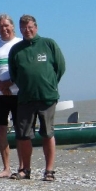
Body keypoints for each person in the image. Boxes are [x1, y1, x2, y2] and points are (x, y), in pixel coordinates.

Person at [8, 15, 66, 181]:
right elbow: (14, 73)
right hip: (26, 98)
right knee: (24, 135)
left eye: (30, 27)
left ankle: (49, 171)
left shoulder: (48, 44)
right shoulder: (16, 49)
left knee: (47, 133)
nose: (27, 30)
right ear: (20, 29)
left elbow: (60, 67)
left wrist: (50, 84)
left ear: (36, 27)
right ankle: (25, 169)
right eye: (24, 28)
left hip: (47, 97)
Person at [0, 14, 23, 178]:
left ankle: (22, 167)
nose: (4, 29)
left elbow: (24, 69)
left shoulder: (21, 44)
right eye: (0, 26)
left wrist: (9, 83)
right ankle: (6, 167)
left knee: (21, 130)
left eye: (6, 25)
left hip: (18, 93)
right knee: (1, 130)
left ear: (12, 26)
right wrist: (0, 84)